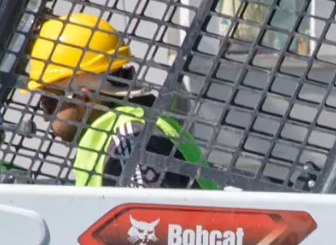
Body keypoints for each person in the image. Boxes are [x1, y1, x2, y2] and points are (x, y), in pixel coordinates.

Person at [24, 11, 208, 187]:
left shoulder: (127, 142)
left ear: (84, 98)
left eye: (48, 103)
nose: (45, 118)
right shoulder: (128, 134)